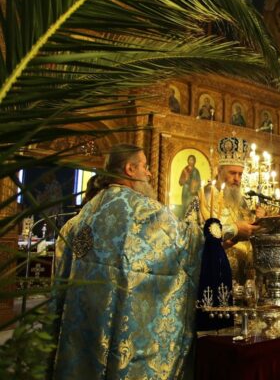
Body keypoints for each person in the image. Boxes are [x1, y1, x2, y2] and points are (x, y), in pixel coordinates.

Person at [51, 144, 203, 379]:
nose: (149, 173)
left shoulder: (87, 212)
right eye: (145, 166)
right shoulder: (145, 211)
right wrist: (226, 229)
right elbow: (187, 243)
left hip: (86, 328)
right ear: (130, 169)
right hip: (124, 334)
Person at [206, 137, 262, 284]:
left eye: (240, 174)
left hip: (244, 279)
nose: (237, 178)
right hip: (215, 275)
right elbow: (196, 237)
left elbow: (251, 232)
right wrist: (234, 231)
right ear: (219, 171)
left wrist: (260, 222)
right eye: (232, 173)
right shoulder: (204, 198)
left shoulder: (241, 201)